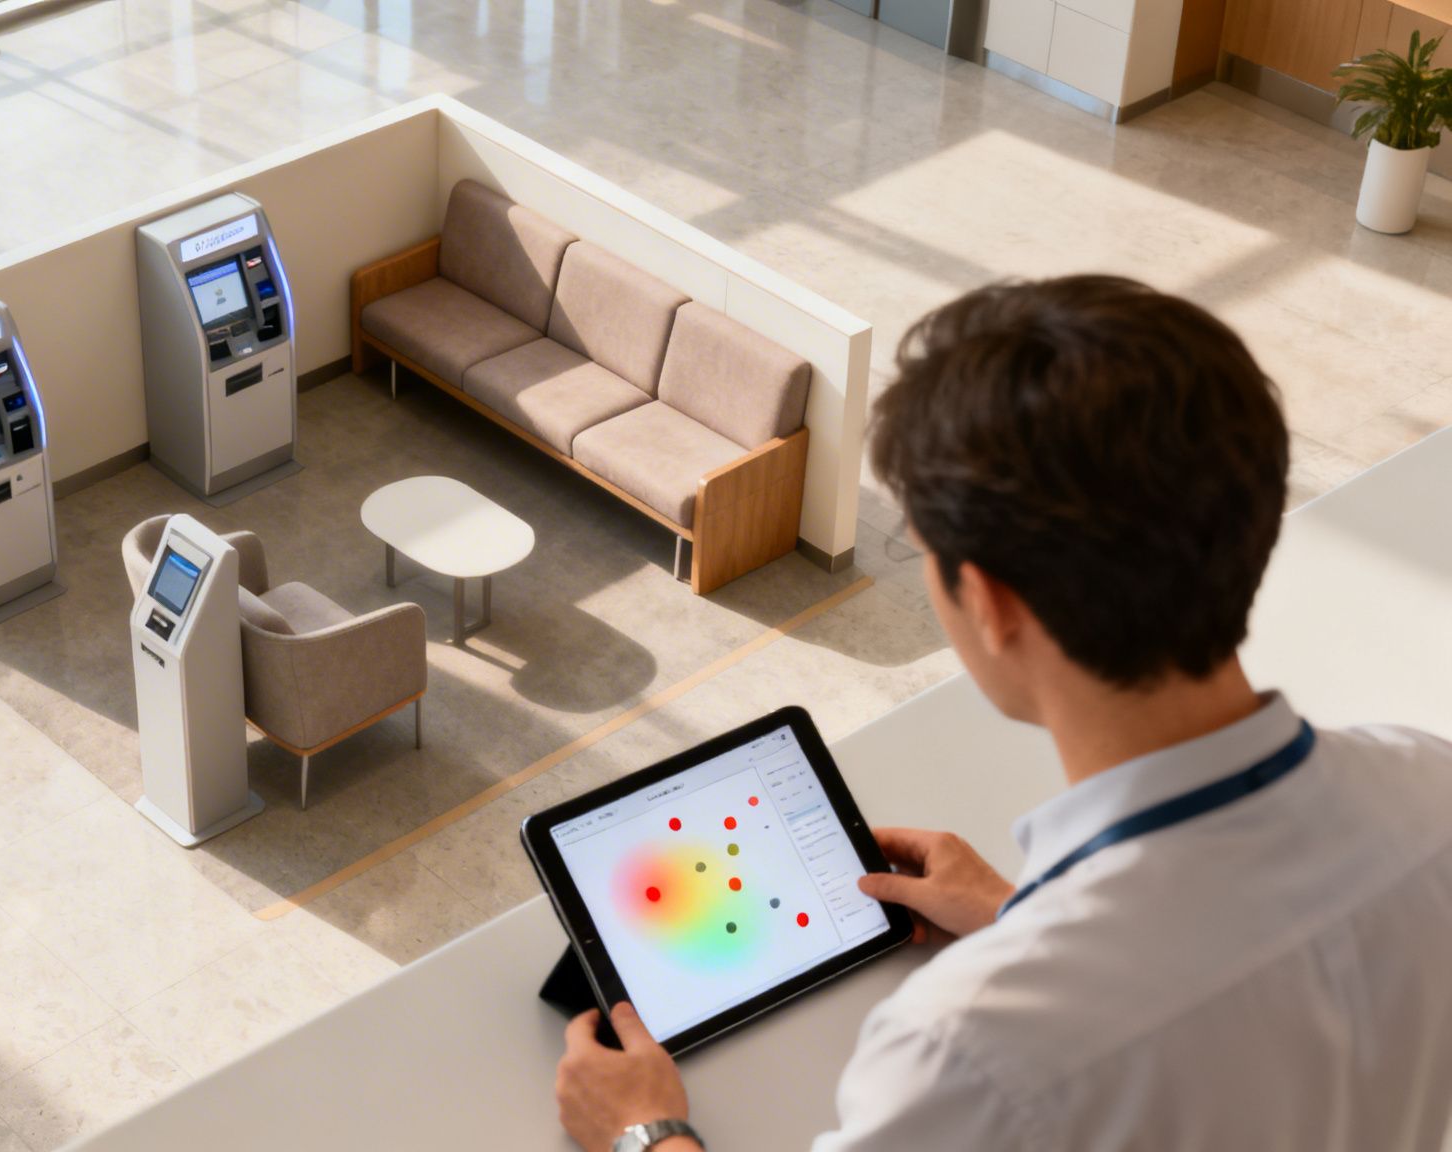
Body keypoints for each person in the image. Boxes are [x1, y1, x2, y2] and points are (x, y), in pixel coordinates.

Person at [555, 276, 1452, 1152]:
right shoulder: (1431, 788)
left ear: (988, 602)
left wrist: (645, 1131)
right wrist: (1024, 911)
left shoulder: (972, 1051)